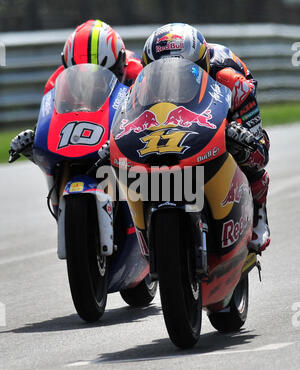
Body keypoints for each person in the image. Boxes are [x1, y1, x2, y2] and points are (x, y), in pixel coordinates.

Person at [141, 23, 270, 253]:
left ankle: (259, 211)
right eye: (162, 74)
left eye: (183, 72)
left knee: (252, 153)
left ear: (202, 65)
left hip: (224, 108)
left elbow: (261, 149)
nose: (172, 80)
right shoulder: (144, 84)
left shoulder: (231, 80)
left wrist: (239, 134)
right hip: (174, 118)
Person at [9, 19, 143, 163]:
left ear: (121, 64)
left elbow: (148, 121)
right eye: (82, 74)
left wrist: (124, 144)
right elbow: (51, 125)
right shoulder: (55, 83)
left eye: (104, 74)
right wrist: (34, 147)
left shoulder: (138, 74)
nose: (94, 82)